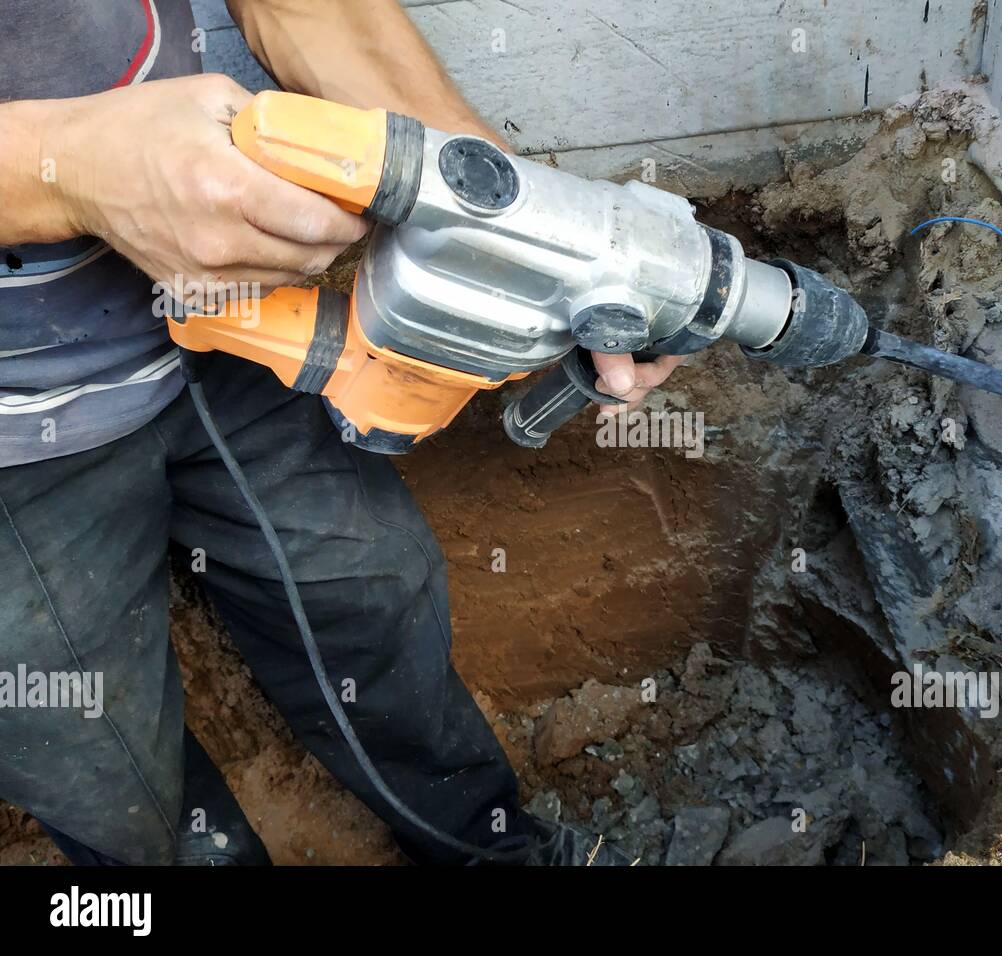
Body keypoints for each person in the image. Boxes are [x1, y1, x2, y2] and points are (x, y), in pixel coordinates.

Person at [0, 0, 680, 865]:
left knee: (374, 591)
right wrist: (64, 168)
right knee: (95, 754)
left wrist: (533, 235)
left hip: (225, 308)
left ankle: (488, 848)